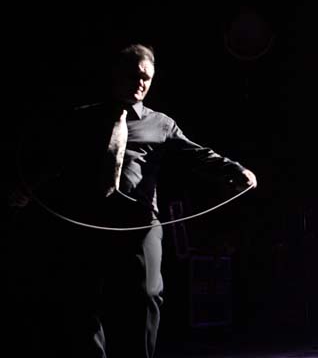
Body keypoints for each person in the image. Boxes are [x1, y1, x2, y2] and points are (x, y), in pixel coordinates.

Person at [8, 44, 257, 358]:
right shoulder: (85, 118)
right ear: (117, 74)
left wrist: (237, 170)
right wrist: (26, 189)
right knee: (83, 299)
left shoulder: (161, 124)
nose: (142, 83)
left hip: (140, 221)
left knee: (148, 294)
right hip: (91, 218)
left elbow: (197, 155)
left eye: (148, 78)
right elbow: (57, 160)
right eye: (136, 75)